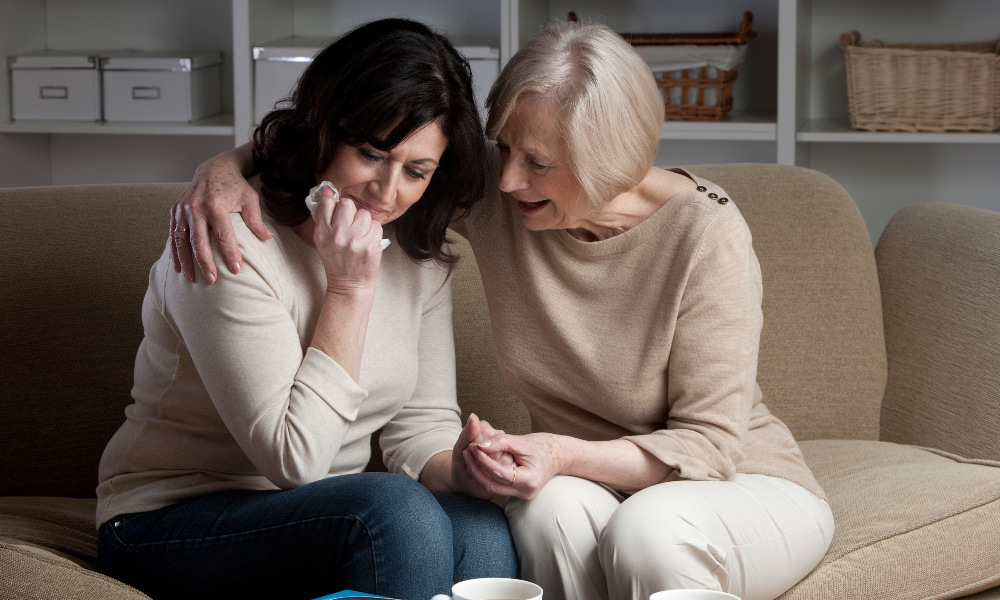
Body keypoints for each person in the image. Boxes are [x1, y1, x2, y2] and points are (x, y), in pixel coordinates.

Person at [169, 20, 835, 600]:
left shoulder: (707, 235)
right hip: (580, 478)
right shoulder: (503, 194)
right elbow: (367, 133)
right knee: (536, 514)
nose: (509, 177)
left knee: (648, 531)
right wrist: (224, 168)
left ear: (607, 162)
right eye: (506, 148)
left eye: (537, 162)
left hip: (732, 481)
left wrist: (558, 452)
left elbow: (709, 445)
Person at [95, 19, 518, 600]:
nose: (386, 191)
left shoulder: (416, 254)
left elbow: (420, 427)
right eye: (371, 153)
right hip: (168, 521)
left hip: (326, 518)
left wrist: (461, 468)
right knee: (397, 513)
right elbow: (294, 461)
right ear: (324, 132)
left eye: (416, 171)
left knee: (480, 529)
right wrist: (349, 289)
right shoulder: (230, 239)